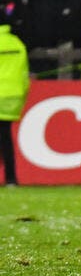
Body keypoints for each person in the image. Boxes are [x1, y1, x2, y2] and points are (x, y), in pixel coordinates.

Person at [0, 21, 29, 185]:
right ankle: (11, 178)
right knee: (5, 138)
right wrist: (22, 94)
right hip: (12, 96)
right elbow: (24, 72)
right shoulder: (17, 43)